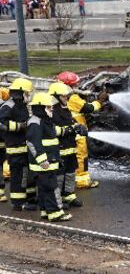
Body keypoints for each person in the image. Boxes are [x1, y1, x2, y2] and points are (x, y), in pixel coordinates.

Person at [56, 72, 108, 189]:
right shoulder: (72, 97)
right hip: (77, 133)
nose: (76, 87)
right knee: (81, 156)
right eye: (74, 85)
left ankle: (66, 181)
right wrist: (100, 101)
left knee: (68, 158)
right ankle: (82, 181)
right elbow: (88, 108)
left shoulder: (56, 96)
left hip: (66, 133)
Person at [26, 92, 70, 221]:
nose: (52, 109)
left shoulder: (44, 120)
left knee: (45, 188)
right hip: (43, 164)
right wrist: (42, 160)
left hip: (48, 161)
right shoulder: (35, 122)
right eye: (49, 107)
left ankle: (45, 211)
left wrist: (69, 130)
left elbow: (52, 133)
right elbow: (33, 143)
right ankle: (55, 213)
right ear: (41, 107)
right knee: (51, 187)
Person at [47, 82, 85, 209]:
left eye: (66, 96)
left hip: (70, 148)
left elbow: (70, 123)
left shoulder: (66, 108)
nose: (66, 98)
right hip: (60, 150)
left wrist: (78, 127)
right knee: (59, 176)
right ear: (56, 96)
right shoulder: (51, 110)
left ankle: (69, 196)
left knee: (70, 173)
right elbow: (52, 130)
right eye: (63, 96)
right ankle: (58, 200)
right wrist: (70, 129)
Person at [0, 78, 36, 210]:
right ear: (20, 93)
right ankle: (18, 203)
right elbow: (2, 123)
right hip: (15, 148)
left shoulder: (22, 105)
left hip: (24, 146)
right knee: (18, 176)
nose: (28, 95)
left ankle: (30, 198)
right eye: (27, 93)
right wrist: (20, 126)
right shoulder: (8, 106)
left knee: (27, 174)